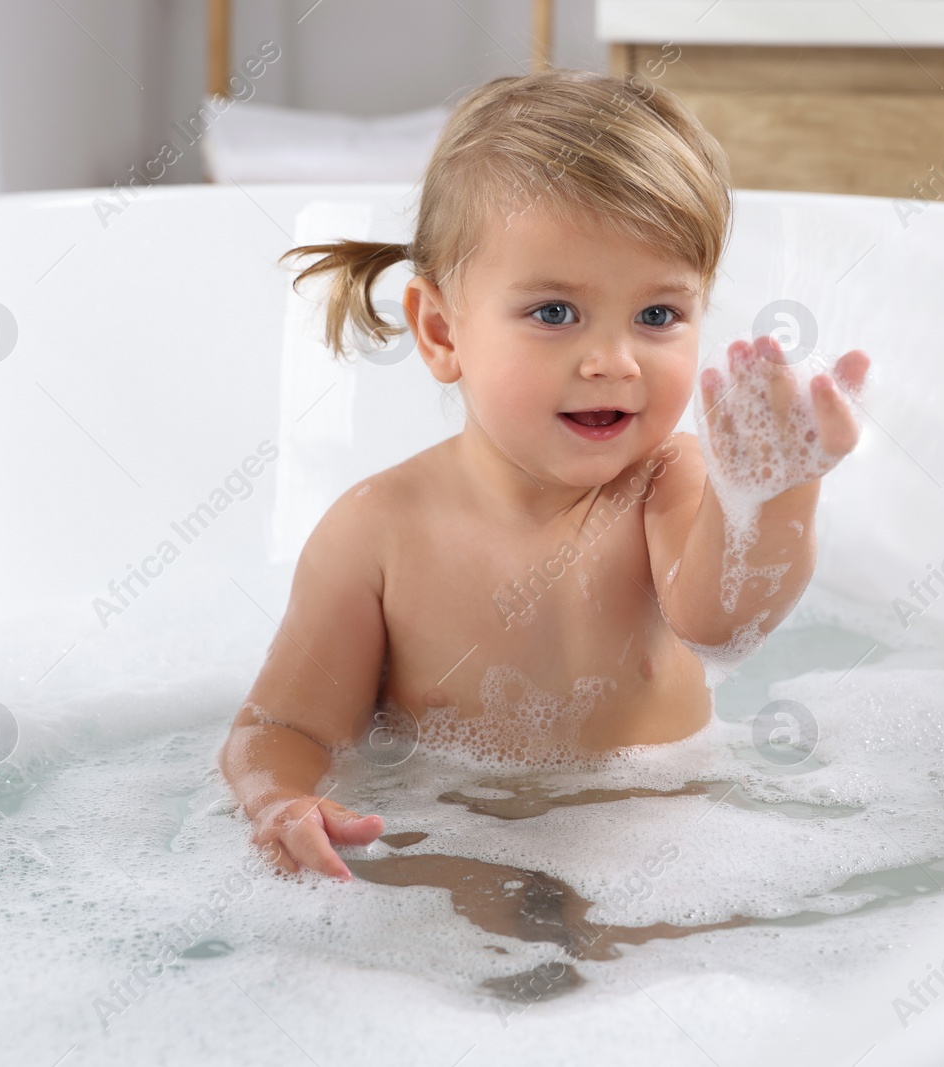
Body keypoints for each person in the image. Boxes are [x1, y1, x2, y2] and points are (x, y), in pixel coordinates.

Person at [218, 67, 869, 879]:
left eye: (657, 315)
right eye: (554, 313)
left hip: (663, 854)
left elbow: (723, 616)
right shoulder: (376, 533)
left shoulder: (664, 481)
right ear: (441, 331)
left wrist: (771, 491)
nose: (613, 360)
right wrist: (284, 800)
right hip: (452, 842)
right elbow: (284, 726)